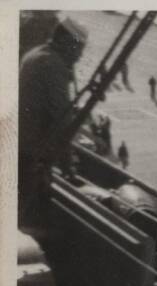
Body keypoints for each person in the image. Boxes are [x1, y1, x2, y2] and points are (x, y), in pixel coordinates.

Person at [19, 16, 88, 232]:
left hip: (18, 144)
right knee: (31, 216)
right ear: (67, 43)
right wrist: (68, 167)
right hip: (28, 155)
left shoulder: (36, 54)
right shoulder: (53, 66)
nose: (80, 56)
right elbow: (62, 122)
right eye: (79, 49)